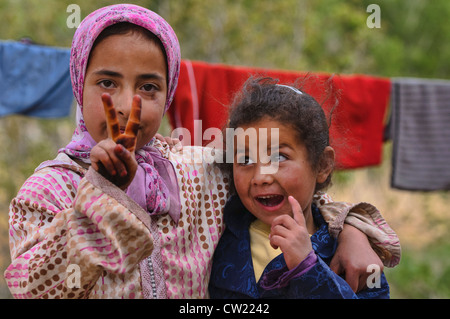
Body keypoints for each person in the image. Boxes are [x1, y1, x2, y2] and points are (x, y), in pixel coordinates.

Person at [4, 4, 399, 299]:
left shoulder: (196, 169)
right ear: (79, 83)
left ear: (169, 92)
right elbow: (33, 289)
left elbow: (289, 186)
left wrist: (350, 230)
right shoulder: (48, 190)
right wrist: (102, 196)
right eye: (107, 82)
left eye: (149, 87)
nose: (127, 105)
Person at [208, 77, 396, 298]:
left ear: (322, 165)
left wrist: (307, 268)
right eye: (246, 160)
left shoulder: (353, 255)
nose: (260, 177)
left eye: (279, 157)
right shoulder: (216, 231)